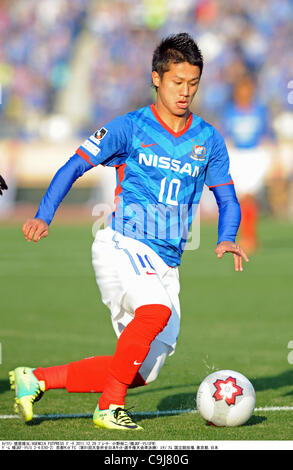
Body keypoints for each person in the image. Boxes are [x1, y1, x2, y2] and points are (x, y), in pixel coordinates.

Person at [10, 33, 248, 431]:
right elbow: (74, 165)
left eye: (193, 83)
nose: (185, 91)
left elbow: (227, 199)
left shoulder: (208, 139)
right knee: (155, 312)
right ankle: (109, 407)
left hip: (167, 262)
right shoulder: (130, 127)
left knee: (141, 372)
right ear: (156, 78)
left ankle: (36, 379)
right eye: (177, 82)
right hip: (122, 242)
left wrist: (227, 235)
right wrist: (44, 215)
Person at [223, 74, 273, 253]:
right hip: (237, 154)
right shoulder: (230, 110)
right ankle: (247, 235)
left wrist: (271, 156)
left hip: (253, 154)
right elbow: (227, 134)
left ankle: (249, 236)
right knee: (241, 197)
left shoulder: (259, 109)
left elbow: (267, 133)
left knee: (249, 196)